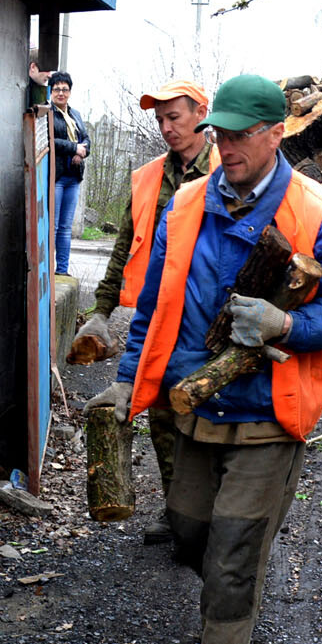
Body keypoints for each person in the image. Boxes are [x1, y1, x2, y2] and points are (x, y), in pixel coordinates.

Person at [86, 74, 322, 644]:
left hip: (267, 414)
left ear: (278, 133)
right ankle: (231, 594)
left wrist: (287, 328)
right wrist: (129, 381)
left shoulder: (318, 216)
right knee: (189, 535)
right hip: (194, 405)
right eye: (221, 132)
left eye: (242, 133)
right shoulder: (185, 205)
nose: (228, 144)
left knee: (233, 554)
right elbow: (155, 306)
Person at [75, 79, 219, 544]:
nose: (165, 128)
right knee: (160, 412)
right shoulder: (148, 177)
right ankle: (179, 514)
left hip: (210, 318)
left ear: (201, 111)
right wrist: (100, 310)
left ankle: (215, 517)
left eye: (173, 117)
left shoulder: (228, 170)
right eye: (159, 120)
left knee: (209, 415)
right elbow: (125, 250)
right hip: (159, 316)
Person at [48, 71, 89, 275]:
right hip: (57, 177)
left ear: (70, 92)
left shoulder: (76, 115)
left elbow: (87, 141)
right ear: (51, 91)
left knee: (65, 228)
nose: (61, 93)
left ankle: (62, 271)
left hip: (74, 177)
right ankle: (46, 271)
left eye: (64, 89)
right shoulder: (47, 114)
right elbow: (49, 140)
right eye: (57, 89)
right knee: (53, 227)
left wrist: (81, 152)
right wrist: (74, 148)